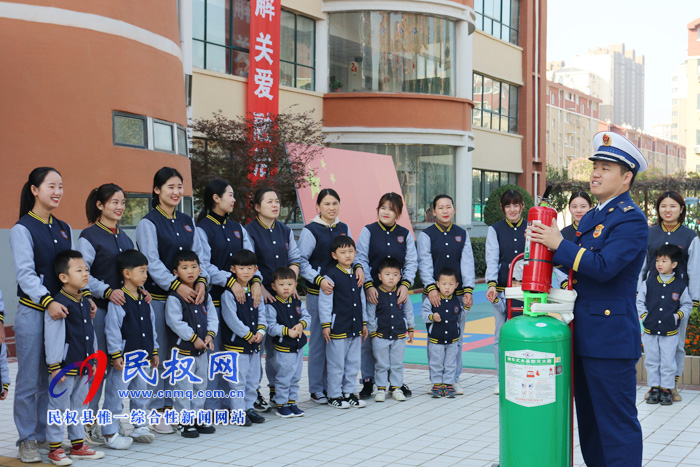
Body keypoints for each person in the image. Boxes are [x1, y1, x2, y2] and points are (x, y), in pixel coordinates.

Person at [529, 131, 648, 466]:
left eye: (606, 168)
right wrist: (540, 244)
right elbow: (571, 263)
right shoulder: (595, 216)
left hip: (610, 340)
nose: (595, 172)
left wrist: (558, 244)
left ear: (626, 178)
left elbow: (605, 267)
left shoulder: (631, 219)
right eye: (595, 165)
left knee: (617, 428)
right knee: (592, 430)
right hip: (582, 336)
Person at [10, 167, 84, 463]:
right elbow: (26, 274)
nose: (57, 192)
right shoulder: (22, 228)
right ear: (34, 190)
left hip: (60, 314)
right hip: (34, 311)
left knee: (51, 378)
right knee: (29, 380)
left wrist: (83, 297)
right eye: (51, 186)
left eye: (61, 186)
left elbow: (72, 268)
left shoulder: (63, 227)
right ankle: (26, 439)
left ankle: (44, 437)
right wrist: (47, 300)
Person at [136, 167, 209, 433]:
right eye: (170, 187)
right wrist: (176, 285)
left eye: (179, 187)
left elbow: (199, 256)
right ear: (157, 190)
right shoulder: (148, 223)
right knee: (158, 354)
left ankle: (179, 410)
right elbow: (151, 262)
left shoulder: (188, 221)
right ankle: (157, 411)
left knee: (180, 355)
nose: (176, 192)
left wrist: (201, 280)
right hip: (159, 298)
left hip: (190, 300)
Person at [78, 183, 149, 445]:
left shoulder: (125, 237)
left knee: (122, 371)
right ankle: (88, 424)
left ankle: (115, 422)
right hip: (100, 313)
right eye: (114, 202)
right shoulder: (89, 236)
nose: (120, 207)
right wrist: (106, 291)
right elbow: (83, 276)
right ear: (100, 205)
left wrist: (142, 291)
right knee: (99, 370)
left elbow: (133, 274)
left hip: (126, 315)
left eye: (122, 203)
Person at [196, 179, 262, 411]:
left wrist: (255, 281)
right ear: (216, 198)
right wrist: (230, 280)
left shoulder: (238, 228)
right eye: (230, 195)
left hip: (243, 304)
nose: (234, 200)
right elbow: (203, 266)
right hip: (214, 301)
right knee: (216, 356)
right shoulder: (202, 228)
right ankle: (212, 407)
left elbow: (252, 260)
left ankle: (238, 405)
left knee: (237, 356)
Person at [297, 188, 363, 404]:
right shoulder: (311, 230)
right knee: (319, 341)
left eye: (335, 203)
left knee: (340, 345)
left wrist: (359, 266)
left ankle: (337, 388)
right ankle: (317, 388)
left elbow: (353, 252)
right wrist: (318, 279)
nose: (331, 208)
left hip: (343, 295)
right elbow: (301, 261)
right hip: (320, 293)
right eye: (326, 204)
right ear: (318, 207)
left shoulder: (343, 227)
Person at [638, 190, 699, 402]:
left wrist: (693, 299)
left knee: (677, 344)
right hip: (652, 296)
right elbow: (642, 266)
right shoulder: (650, 233)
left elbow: (694, 269)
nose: (668, 210)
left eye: (673, 206)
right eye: (663, 206)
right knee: (652, 344)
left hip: (677, 299)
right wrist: (639, 292)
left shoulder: (690, 236)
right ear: (658, 209)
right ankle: (654, 386)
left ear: (681, 209)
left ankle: (671, 386)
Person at [45, 250, 105, 466]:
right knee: (58, 407)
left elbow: (91, 333)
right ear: (64, 277)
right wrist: (54, 365)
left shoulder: (84, 301)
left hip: (85, 367)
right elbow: (53, 338)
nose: (85, 274)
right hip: (65, 367)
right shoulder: (59, 304)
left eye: (86, 270)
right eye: (79, 270)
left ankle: (77, 446)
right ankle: (54, 448)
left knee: (79, 406)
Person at [356, 192, 417, 399]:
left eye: (391, 209)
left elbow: (411, 262)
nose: (386, 212)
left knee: (394, 339)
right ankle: (368, 381)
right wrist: (369, 286)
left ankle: (395, 383)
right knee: (370, 339)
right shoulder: (368, 231)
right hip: (373, 292)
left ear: (398, 213)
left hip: (396, 292)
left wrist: (406, 285)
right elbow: (361, 259)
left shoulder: (405, 234)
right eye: (383, 207)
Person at [245, 187, 301, 411]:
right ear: (257, 207)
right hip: (261, 296)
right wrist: (261, 287)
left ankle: (279, 391)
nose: (275, 205)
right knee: (262, 346)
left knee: (281, 346)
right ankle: (256, 391)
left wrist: (289, 283)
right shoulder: (248, 231)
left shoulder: (285, 230)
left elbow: (295, 259)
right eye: (269, 202)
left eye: (277, 201)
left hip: (285, 296)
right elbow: (249, 263)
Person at [417, 194, 475, 395]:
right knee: (435, 338)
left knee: (456, 338)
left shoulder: (462, 234)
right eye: (440, 208)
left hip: (457, 295)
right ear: (434, 212)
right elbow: (424, 263)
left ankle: (453, 380)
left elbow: (467, 263)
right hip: (434, 296)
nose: (444, 211)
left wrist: (468, 290)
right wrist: (431, 288)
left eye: (448, 207)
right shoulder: (426, 235)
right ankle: (436, 381)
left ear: (454, 210)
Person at [102, 249, 159, 450]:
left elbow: (151, 326)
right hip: (125, 359)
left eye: (146, 271)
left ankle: (139, 426)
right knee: (115, 395)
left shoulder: (145, 299)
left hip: (142, 358)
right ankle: (110, 432)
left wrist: (154, 351)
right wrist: (115, 354)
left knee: (141, 393)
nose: (146, 275)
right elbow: (112, 329)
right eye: (142, 271)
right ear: (127, 274)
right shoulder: (119, 300)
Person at [164, 250, 218, 438]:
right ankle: (184, 421)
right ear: (175, 273)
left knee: (201, 384)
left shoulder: (205, 294)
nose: (190, 271)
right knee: (183, 387)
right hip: (183, 351)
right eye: (184, 267)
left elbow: (212, 316)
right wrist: (193, 338)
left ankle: (197, 417)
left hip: (202, 350)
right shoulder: (174, 297)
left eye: (194, 267)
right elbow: (174, 322)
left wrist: (210, 335)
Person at [636, 245, 692, 406]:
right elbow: (639, 302)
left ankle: (667, 389)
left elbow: (686, 305)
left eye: (664, 261)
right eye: (658, 260)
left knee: (668, 361)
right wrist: (646, 316)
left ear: (674, 264)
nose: (659, 264)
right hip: (650, 330)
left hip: (670, 332)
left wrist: (676, 317)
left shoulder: (680, 286)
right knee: (652, 360)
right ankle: (654, 388)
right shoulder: (649, 283)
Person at [485, 189, 527, 394]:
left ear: (522, 206)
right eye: (508, 205)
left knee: (525, 332)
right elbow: (492, 259)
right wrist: (491, 284)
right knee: (500, 335)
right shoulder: (495, 230)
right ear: (503, 208)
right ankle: (502, 378)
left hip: (527, 291)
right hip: (503, 290)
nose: (512, 209)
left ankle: (524, 374)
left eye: (516, 205)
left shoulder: (531, 227)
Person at [319, 236, 368, 409]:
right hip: (337, 327)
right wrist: (326, 324)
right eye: (343, 252)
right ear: (334, 255)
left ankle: (349, 393)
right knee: (336, 363)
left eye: (350, 251)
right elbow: (325, 302)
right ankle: (334, 395)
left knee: (353, 363)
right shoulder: (330, 275)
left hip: (354, 327)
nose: (347, 255)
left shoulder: (356, 273)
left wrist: (364, 322)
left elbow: (361, 299)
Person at [221, 249, 268, 426]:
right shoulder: (229, 293)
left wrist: (260, 332)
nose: (246, 272)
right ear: (233, 269)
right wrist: (247, 334)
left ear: (255, 269)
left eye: (249, 268)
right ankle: (237, 412)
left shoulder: (256, 292)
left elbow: (262, 315)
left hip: (254, 345)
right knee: (237, 381)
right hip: (237, 345)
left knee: (253, 379)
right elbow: (230, 318)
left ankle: (249, 408)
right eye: (241, 268)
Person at [366, 258, 415, 402]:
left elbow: (409, 311)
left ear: (400, 277)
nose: (391, 277)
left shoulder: (402, 294)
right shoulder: (375, 294)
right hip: (380, 336)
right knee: (381, 364)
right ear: (380, 276)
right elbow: (370, 314)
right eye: (387, 274)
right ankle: (381, 388)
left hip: (399, 335)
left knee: (397, 364)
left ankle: (396, 387)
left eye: (395, 274)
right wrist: (373, 333)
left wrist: (410, 328)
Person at [265, 267, 311, 418]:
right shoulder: (272, 305)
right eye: (282, 284)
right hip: (283, 347)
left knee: (295, 376)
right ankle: (281, 404)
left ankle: (292, 402)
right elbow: (270, 327)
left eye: (290, 284)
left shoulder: (297, 301)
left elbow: (306, 317)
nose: (286, 288)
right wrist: (286, 331)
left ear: (295, 285)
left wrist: (301, 325)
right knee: (284, 376)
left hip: (298, 346)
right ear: (273, 286)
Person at [421, 267, 462, 398]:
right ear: (437, 284)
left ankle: (449, 384)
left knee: (450, 362)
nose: (447, 287)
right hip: (436, 339)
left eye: (451, 284)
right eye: (444, 284)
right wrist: (432, 317)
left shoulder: (456, 301)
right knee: (436, 362)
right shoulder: (431, 300)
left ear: (456, 285)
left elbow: (460, 316)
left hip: (452, 339)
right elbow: (424, 314)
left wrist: (466, 307)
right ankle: (437, 384)